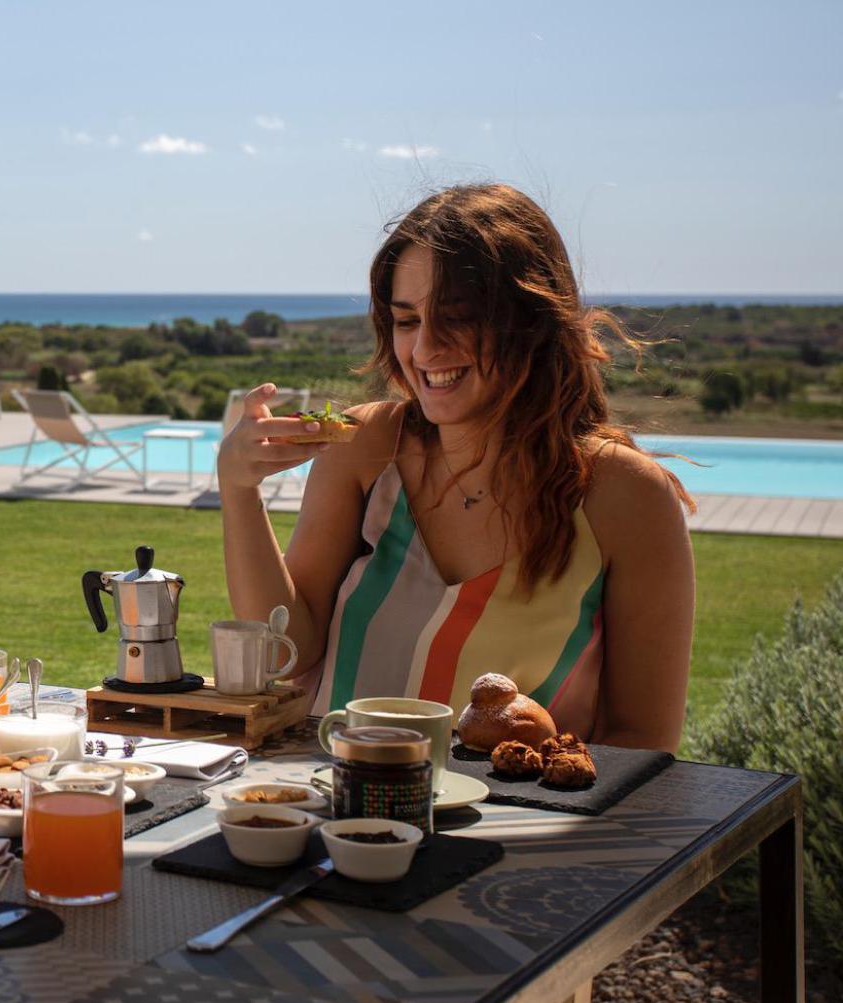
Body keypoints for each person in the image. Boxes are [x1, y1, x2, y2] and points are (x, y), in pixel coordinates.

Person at [218, 184, 696, 751]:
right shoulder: (368, 449)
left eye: (458, 317)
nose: (425, 349)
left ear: (534, 320)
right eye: (406, 320)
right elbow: (283, 649)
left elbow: (643, 744)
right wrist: (239, 490)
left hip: (513, 831)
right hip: (332, 811)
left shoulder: (624, 496)